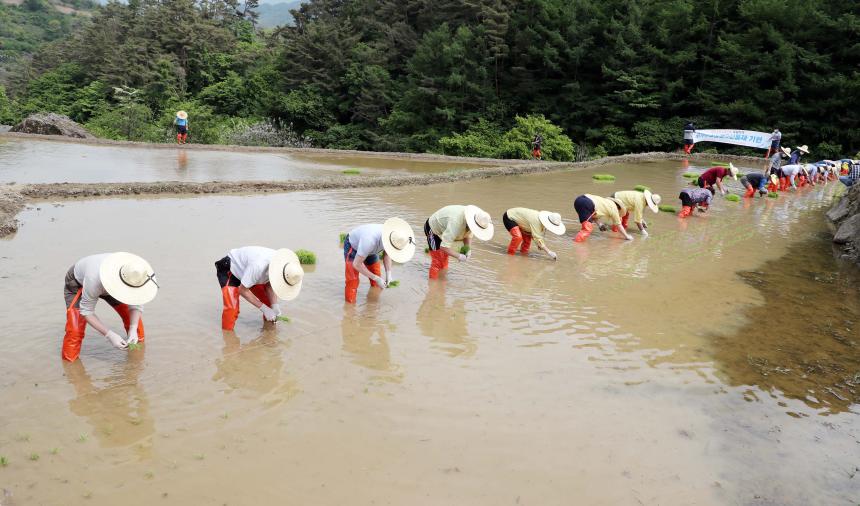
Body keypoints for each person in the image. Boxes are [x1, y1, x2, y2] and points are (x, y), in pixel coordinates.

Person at [62, 252, 158, 362]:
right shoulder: (94, 279)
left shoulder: (137, 274)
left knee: (135, 326)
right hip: (79, 283)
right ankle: (70, 367)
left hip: (114, 282)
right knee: (75, 331)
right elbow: (86, 311)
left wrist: (133, 329)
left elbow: (137, 302)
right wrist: (109, 335)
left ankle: (136, 356)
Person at [215, 247, 304, 331]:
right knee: (232, 309)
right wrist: (264, 309)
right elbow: (242, 290)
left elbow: (269, 285)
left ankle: (269, 333)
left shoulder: (283, 266)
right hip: (230, 269)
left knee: (269, 303)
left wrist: (274, 305)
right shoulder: (258, 267)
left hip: (249, 273)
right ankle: (228, 341)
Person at [343, 217, 416, 303]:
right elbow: (356, 264)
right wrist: (376, 278)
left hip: (371, 249)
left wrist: (389, 274)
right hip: (353, 246)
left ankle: (373, 306)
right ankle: (350, 308)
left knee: (377, 279)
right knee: (352, 280)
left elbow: (387, 254)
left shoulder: (394, 237)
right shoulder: (369, 240)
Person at [424, 205, 494, 279]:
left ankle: (442, 279)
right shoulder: (456, 223)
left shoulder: (474, 220)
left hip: (444, 229)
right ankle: (433, 285)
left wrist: (468, 249)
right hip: (432, 229)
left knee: (444, 257)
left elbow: (468, 235)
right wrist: (459, 256)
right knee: (437, 260)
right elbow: (444, 247)